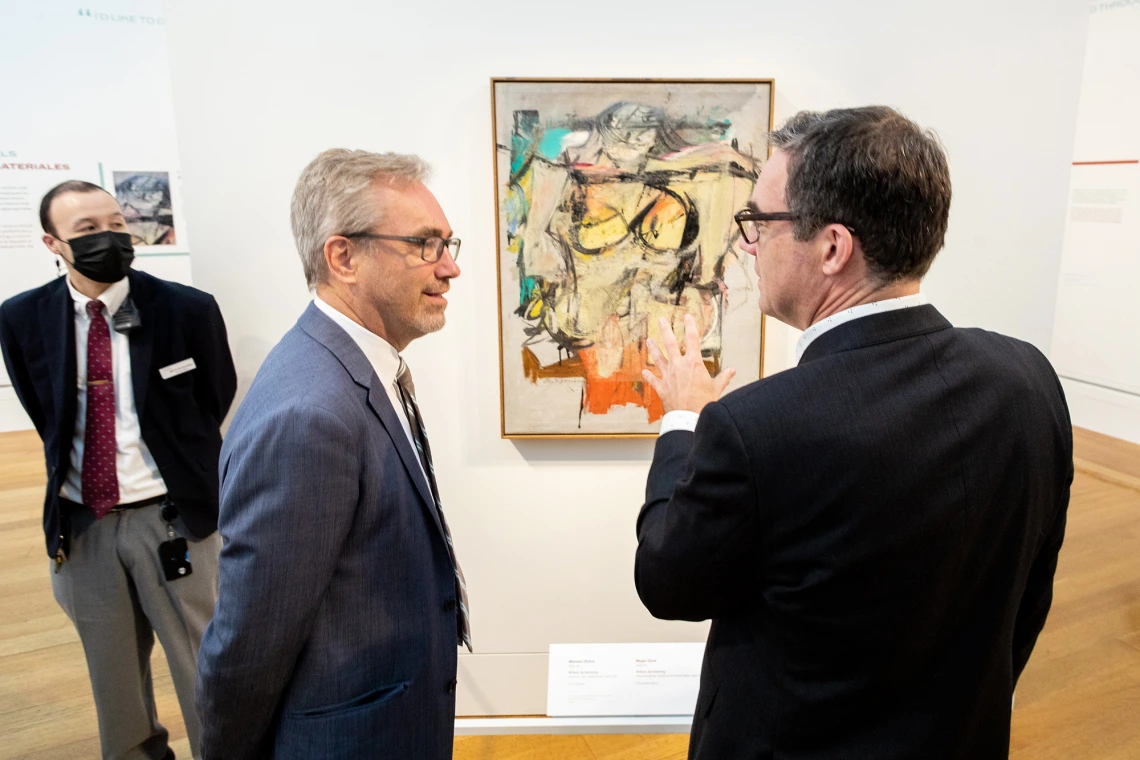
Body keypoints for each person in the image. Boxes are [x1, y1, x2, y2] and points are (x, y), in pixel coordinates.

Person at [635, 107, 1073, 760]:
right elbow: (1026, 598)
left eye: (759, 222)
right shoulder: (1028, 376)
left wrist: (683, 421)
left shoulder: (756, 426)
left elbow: (667, 581)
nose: (747, 245)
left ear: (833, 247)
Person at [196, 149, 469, 760]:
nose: (449, 267)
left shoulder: (354, 369)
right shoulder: (309, 415)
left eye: (449, 243)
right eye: (425, 244)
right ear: (343, 257)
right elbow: (248, 642)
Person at [0, 180, 237, 760]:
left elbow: (216, 395)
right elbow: (44, 411)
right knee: (113, 679)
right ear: (53, 242)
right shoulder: (22, 318)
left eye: (115, 222)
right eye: (86, 229)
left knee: (201, 664)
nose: (108, 236)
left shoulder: (186, 308)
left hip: (172, 518)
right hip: (83, 524)